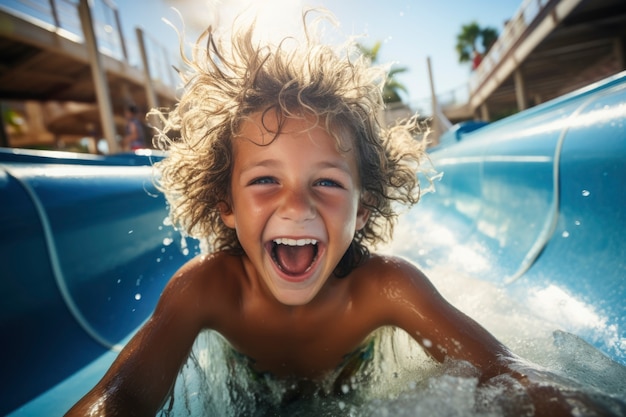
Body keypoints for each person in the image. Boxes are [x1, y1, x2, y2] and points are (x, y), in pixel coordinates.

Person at [66, 12, 600, 417]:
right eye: (265, 180)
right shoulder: (207, 289)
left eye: (325, 182)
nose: (296, 205)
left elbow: (503, 372)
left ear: (363, 207)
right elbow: (123, 396)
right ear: (224, 204)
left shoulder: (385, 288)